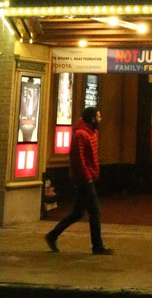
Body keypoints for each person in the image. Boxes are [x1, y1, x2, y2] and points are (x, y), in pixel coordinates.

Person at [45, 107, 113, 255]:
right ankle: (97, 246)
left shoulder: (92, 133)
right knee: (95, 210)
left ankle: (52, 235)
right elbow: (78, 159)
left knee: (77, 213)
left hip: (88, 177)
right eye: (99, 116)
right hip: (84, 179)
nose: (101, 119)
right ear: (92, 119)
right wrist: (87, 177)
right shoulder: (81, 135)